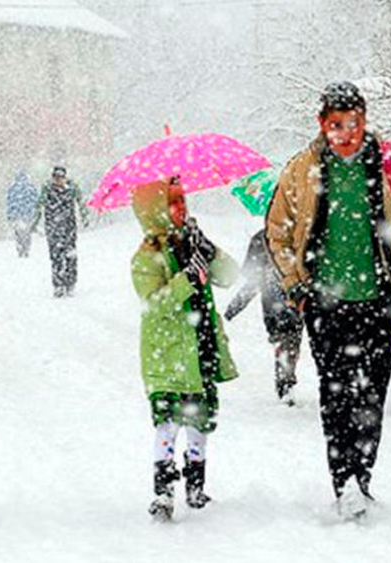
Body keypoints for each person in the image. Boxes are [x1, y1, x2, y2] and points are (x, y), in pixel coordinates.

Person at [265, 81, 391, 519]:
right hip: (325, 304)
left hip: (379, 302)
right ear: (322, 125)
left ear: (365, 121)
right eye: (336, 124)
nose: (345, 133)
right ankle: (345, 481)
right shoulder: (302, 169)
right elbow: (277, 230)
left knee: (372, 396)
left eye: (353, 123)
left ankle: (363, 475)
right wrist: (296, 283)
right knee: (336, 395)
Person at [130, 177, 240, 522]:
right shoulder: (147, 258)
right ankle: (163, 490)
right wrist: (186, 281)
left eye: (183, 200)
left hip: (201, 345)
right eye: (172, 202)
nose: (182, 208)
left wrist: (208, 250)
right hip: (170, 353)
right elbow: (154, 303)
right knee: (167, 422)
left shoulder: (192, 244)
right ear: (155, 212)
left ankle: (196, 485)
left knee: (200, 421)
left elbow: (230, 274)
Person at [224, 228, 303, 405]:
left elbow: (252, 281)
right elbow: (253, 282)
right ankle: (285, 383)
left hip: (277, 304)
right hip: (290, 302)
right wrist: (234, 308)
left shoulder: (261, 238)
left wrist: (234, 308)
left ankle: (285, 381)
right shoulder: (297, 234)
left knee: (286, 342)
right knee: (289, 342)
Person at [36, 166, 79, 297]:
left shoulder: (72, 189)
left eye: (61, 177)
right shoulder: (47, 190)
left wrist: (85, 215)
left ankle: (70, 283)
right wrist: (35, 222)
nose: (59, 180)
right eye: (56, 177)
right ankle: (58, 285)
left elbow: (81, 202)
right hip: (53, 228)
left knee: (70, 256)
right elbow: (38, 206)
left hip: (69, 228)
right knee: (56, 257)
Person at [6, 170, 38, 258]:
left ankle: (20, 248)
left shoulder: (12, 188)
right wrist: (34, 213)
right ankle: (26, 248)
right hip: (28, 215)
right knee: (27, 233)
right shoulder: (31, 188)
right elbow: (35, 201)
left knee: (18, 233)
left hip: (16, 215)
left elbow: (10, 202)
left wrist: (10, 214)